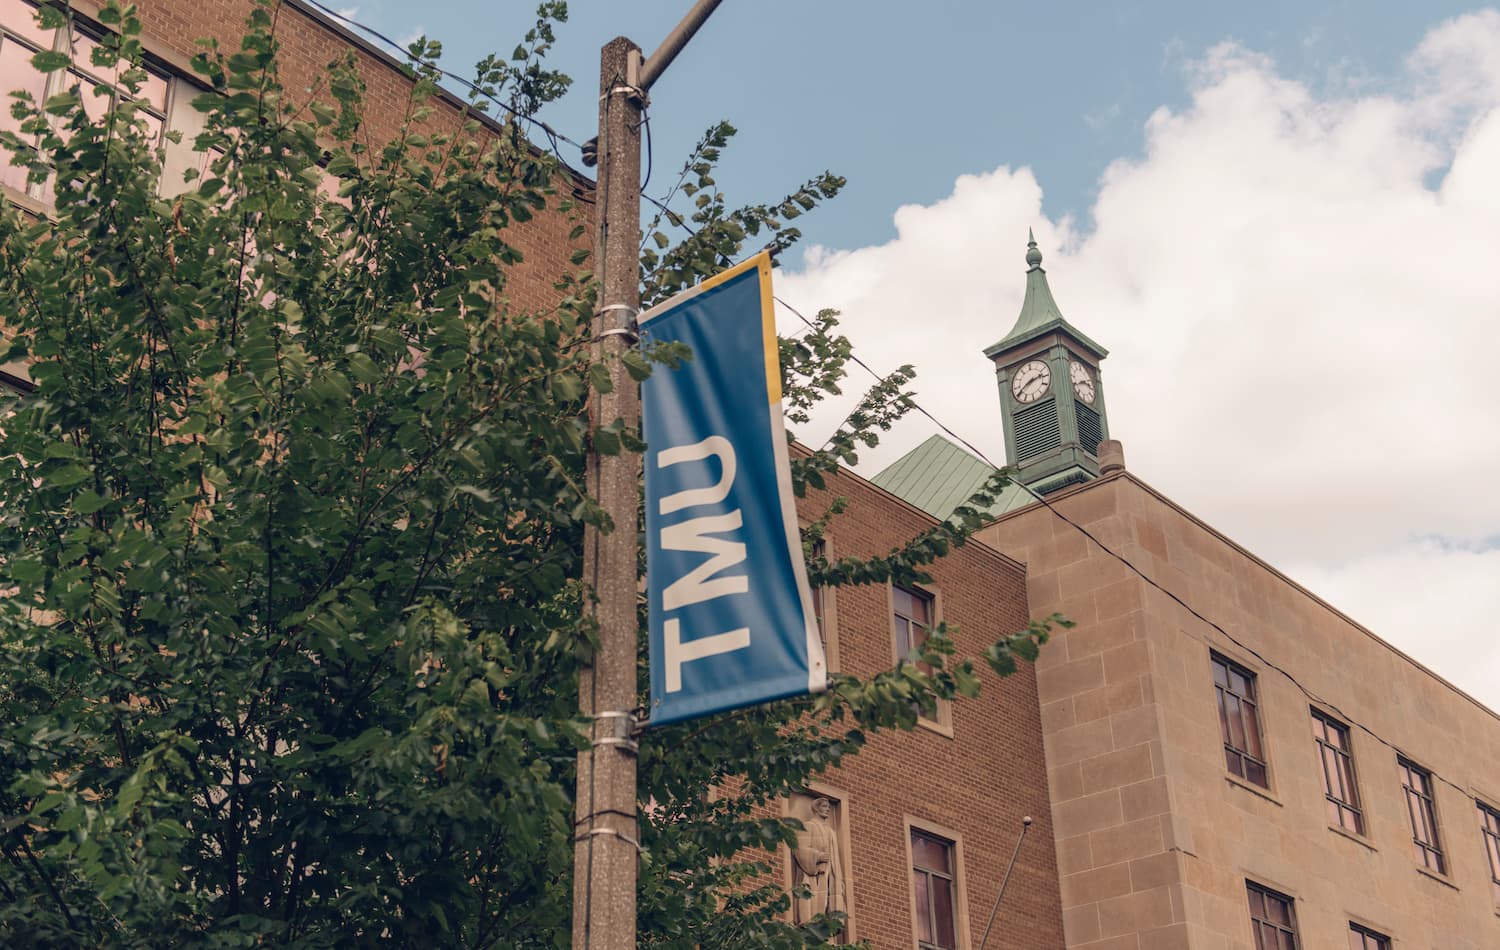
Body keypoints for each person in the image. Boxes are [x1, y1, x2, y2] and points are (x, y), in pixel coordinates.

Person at [791, 796, 845, 928]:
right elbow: (800, 849)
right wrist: (818, 856)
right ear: (816, 808)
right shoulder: (808, 826)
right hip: (812, 875)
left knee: (825, 904)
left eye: (828, 807)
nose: (827, 809)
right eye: (824, 807)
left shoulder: (831, 832)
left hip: (828, 876)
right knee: (813, 905)